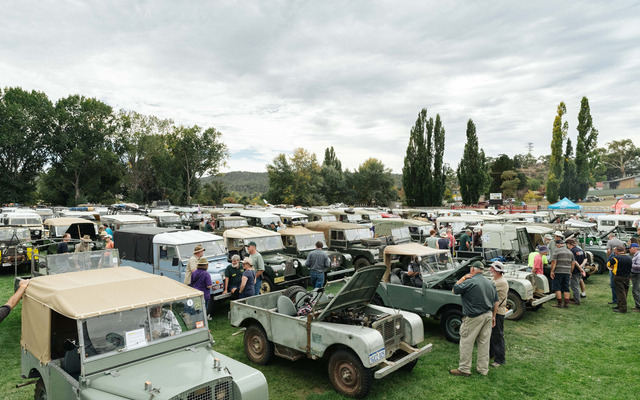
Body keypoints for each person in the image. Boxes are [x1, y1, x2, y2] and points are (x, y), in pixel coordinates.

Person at [449, 261, 498, 377]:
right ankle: (483, 369)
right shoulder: (490, 283)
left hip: (473, 317)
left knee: (466, 341)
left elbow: (454, 290)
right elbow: (496, 301)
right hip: (488, 315)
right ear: (482, 270)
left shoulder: (469, 282)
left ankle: (464, 369)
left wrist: (463, 278)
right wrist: (494, 316)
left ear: (472, 270)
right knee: (484, 343)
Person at [489, 261, 508, 367]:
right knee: (492, 334)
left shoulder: (500, 282)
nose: (490, 270)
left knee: (497, 335)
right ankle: (492, 354)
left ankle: (499, 359)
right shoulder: (495, 279)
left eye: (493, 269)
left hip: (498, 312)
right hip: (494, 310)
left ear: (498, 271)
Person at [550, 240, 578, 308]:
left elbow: (554, 262)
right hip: (567, 272)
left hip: (558, 271)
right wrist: (570, 271)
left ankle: (560, 303)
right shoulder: (570, 252)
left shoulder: (556, 251)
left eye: (556, 245)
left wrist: (552, 271)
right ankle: (566, 303)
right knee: (566, 287)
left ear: (558, 244)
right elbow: (573, 263)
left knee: (557, 287)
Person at [607, 245, 632, 313]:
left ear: (617, 251)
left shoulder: (616, 258)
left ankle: (623, 308)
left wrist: (613, 267)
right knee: (625, 292)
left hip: (618, 276)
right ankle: (620, 305)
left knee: (620, 292)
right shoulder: (629, 257)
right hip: (627, 276)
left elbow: (608, 264)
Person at [565, 239, 586, 304]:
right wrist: (581, 266)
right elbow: (585, 258)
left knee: (574, 286)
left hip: (575, 270)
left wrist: (578, 268)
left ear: (569, 244)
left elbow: (574, 262)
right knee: (577, 283)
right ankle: (576, 297)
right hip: (580, 270)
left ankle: (577, 300)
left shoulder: (572, 251)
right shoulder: (580, 250)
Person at [606, 233, 625, 305]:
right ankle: (620, 300)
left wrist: (608, 260)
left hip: (614, 269)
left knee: (613, 285)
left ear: (610, 237)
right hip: (621, 270)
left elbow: (608, 251)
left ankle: (615, 299)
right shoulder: (621, 241)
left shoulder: (610, 242)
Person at [629, 243, 640, 312]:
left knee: (636, 291)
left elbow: (639, 266)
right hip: (636, 274)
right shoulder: (636, 255)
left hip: (637, 274)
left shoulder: (638, 256)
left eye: (630, 248)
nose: (629, 249)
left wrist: (630, 264)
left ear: (634, 248)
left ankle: (638, 307)